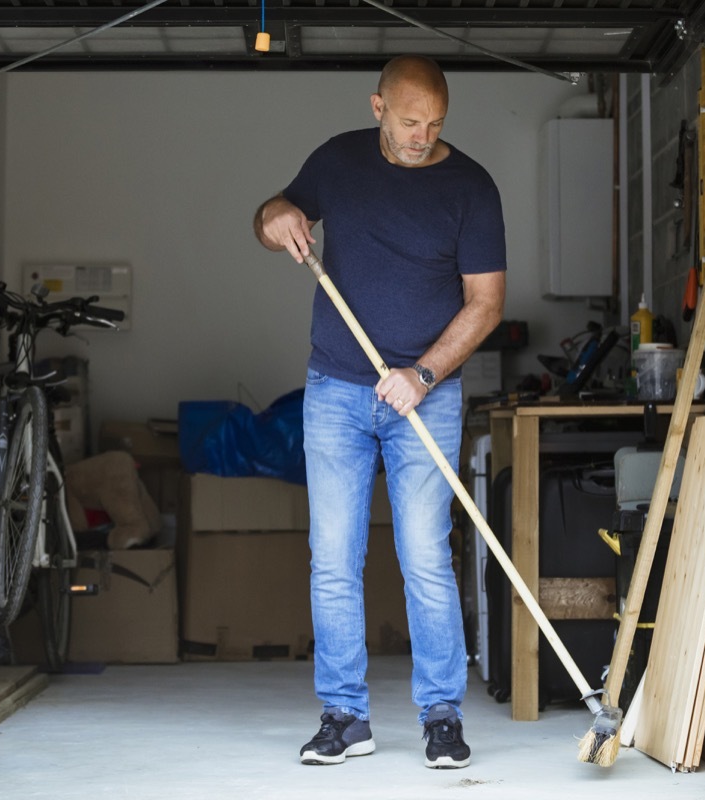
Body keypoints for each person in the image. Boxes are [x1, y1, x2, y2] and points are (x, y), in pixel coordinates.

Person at [253, 54, 506, 770]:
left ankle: (442, 716)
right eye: (408, 120)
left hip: (428, 396)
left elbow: (486, 304)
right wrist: (275, 216)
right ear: (377, 107)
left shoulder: (470, 187)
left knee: (425, 555)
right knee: (333, 558)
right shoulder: (337, 163)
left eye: (434, 123)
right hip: (335, 390)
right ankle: (344, 716)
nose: (422, 135)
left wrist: (421, 375)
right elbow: (274, 212)